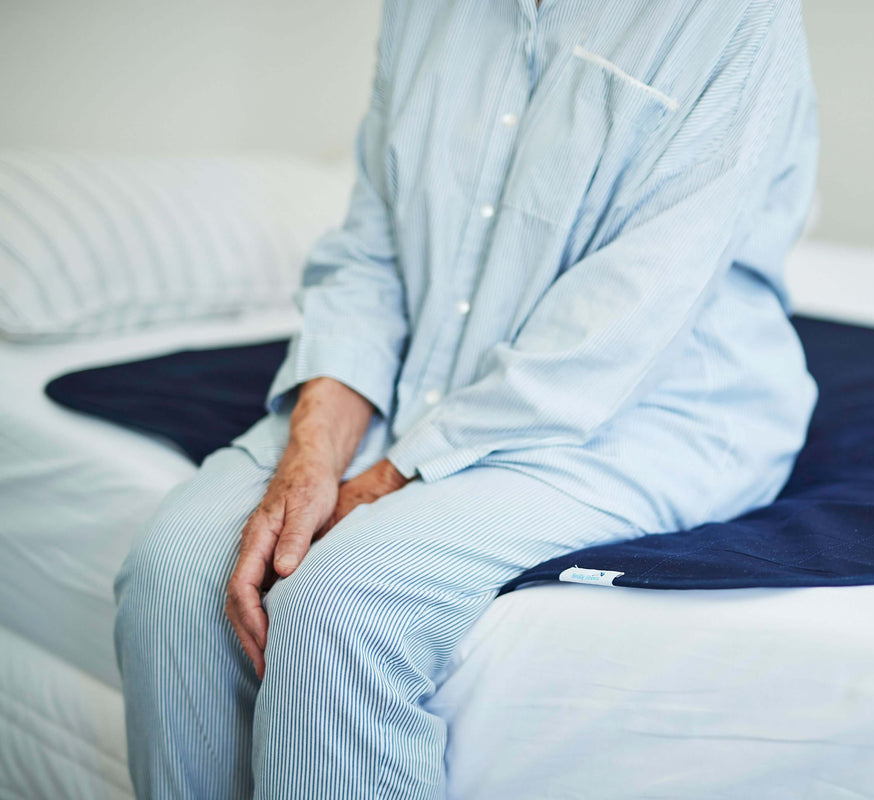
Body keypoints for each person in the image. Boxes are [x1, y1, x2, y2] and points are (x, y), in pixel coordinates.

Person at [114, 0, 820, 796]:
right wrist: (314, 453)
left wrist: (383, 483)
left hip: (642, 408)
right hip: (428, 376)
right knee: (174, 569)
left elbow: (633, 311)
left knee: (338, 608)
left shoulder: (735, 17)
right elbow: (370, 249)